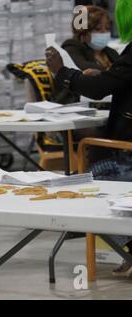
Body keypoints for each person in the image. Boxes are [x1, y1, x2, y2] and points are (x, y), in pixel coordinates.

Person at [46, 0, 132, 277]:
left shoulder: (111, 51)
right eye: (102, 28)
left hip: (125, 151)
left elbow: (99, 87)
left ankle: (127, 245)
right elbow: (111, 78)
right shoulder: (75, 48)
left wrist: (62, 72)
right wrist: (105, 76)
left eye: (109, 26)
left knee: (94, 166)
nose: (107, 32)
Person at [52, 5, 119, 104]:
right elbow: (83, 69)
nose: (104, 33)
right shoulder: (71, 47)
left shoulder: (110, 52)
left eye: (107, 28)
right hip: (78, 104)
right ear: (83, 32)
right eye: (98, 29)